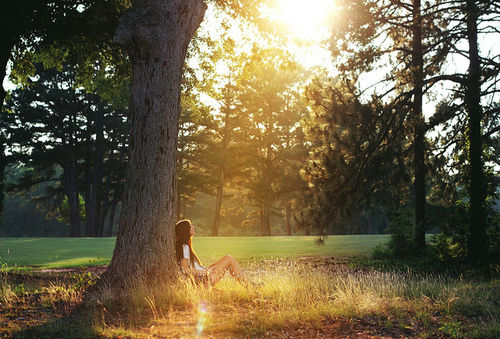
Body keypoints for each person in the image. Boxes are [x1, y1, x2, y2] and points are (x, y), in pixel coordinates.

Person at [175, 219, 250, 287]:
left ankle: (247, 284)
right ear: (185, 231)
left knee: (229, 263)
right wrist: (204, 271)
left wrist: (206, 269)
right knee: (229, 259)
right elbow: (185, 270)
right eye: (190, 226)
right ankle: (249, 285)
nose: (193, 227)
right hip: (203, 280)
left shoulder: (184, 246)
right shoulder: (185, 247)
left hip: (203, 277)